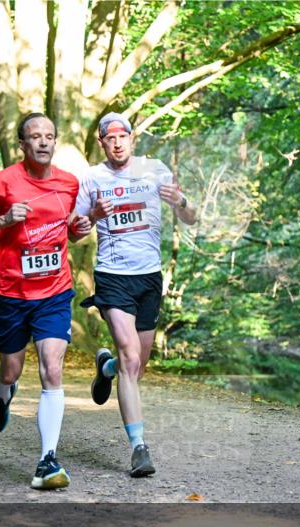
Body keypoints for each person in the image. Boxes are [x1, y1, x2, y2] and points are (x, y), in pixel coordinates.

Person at [0, 113, 92, 490]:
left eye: (49, 136)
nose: (43, 141)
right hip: (12, 294)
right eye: (35, 136)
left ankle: (47, 460)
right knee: (11, 371)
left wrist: (80, 228)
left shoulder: (69, 184)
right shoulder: (3, 182)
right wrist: (3, 219)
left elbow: (72, 231)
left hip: (54, 292)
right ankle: (4, 393)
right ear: (22, 144)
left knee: (52, 368)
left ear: (55, 142)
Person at [75, 112, 197, 478]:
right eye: (109, 138)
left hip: (149, 278)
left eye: (122, 136)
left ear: (132, 138)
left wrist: (181, 200)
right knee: (130, 358)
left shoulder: (154, 169)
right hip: (113, 277)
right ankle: (139, 448)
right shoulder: (91, 178)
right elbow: (73, 234)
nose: (117, 143)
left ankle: (106, 368)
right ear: (102, 143)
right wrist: (92, 215)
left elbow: (191, 217)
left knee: (136, 366)